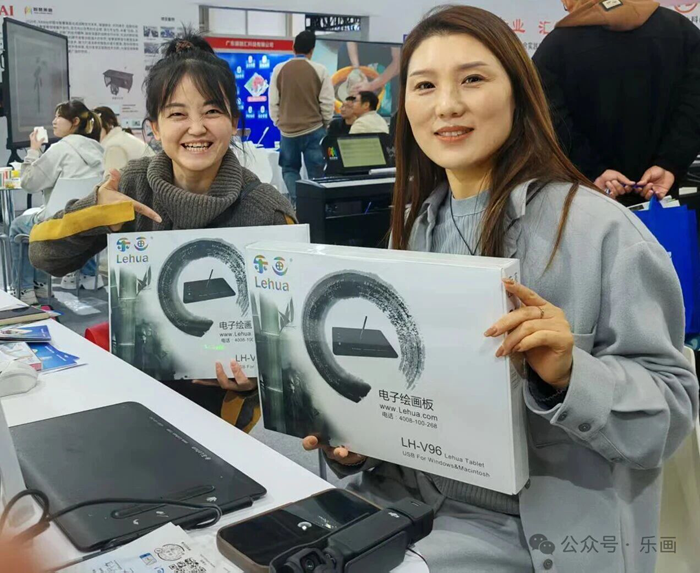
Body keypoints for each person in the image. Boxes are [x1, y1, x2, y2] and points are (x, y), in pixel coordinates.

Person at [303, 6, 698, 573]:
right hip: (412, 505)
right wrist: (359, 440)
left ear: (519, 93)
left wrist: (570, 374)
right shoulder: (414, 227)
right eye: (424, 85)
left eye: (472, 78)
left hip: (534, 536)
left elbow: (671, 415)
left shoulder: (601, 231)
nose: (447, 105)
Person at [29, 33, 296, 432]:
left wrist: (255, 381)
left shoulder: (266, 210)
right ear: (153, 126)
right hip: (129, 391)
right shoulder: (131, 185)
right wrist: (97, 212)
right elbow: (44, 257)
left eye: (212, 111)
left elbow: (291, 343)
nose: (196, 128)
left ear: (234, 122)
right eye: (177, 114)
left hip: (218, 412)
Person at [534, 0, 700, 205]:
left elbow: (545, 117)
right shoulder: (681, 31)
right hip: (663, 198)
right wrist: (670, 163)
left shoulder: (555, 47)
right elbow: (694, 106)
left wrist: (593, 170)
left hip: (587, 202)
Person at [11, 100, 104, 304]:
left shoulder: (60, 149)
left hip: (58, 223)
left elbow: (28, 183)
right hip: (87, 224)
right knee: (35, 221)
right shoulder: (97, 149)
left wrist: (34, 150)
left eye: (59, 116)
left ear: (75, 121)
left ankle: (25, 289)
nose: (53, 121)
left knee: (17, 226)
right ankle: (42, 286)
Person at [269, 30, 334, 204]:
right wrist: (326, 123)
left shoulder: (279, 69)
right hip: (314, 129)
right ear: (312, 50)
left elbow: (273, 101)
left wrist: (279, 122)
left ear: (293, 47)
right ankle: (318, 205)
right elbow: (327, 102)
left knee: (289, 169)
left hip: (288, 132)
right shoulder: (320, 70)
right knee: (317, 171)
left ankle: (300, 203)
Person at [94, 106, 155, 175]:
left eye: (98, 128)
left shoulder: (114, 146)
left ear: (109, 124)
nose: (94, 133)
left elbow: (113, 179)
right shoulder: (122, 138)